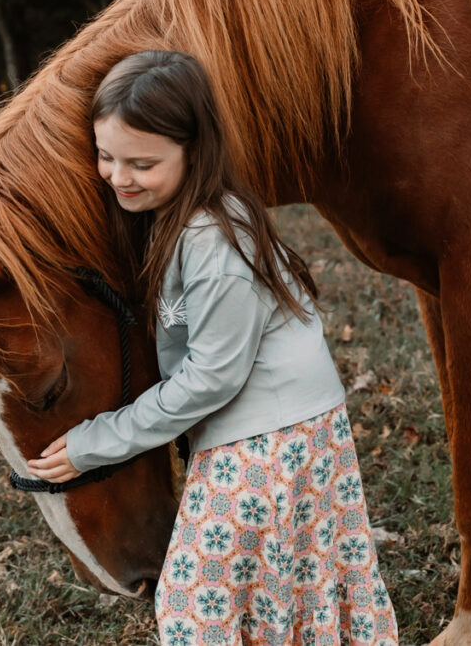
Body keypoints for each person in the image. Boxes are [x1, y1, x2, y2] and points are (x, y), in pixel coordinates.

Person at [27, 50, 398, 646]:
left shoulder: (213, 240)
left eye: (141, 163)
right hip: (287, 430)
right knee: (284, 588)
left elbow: (211, 378)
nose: (119, 177)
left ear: (194, 152)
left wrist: (99, 440)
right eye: (105, 156)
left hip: (268, 444)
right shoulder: (175, 215)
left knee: (197, 602)